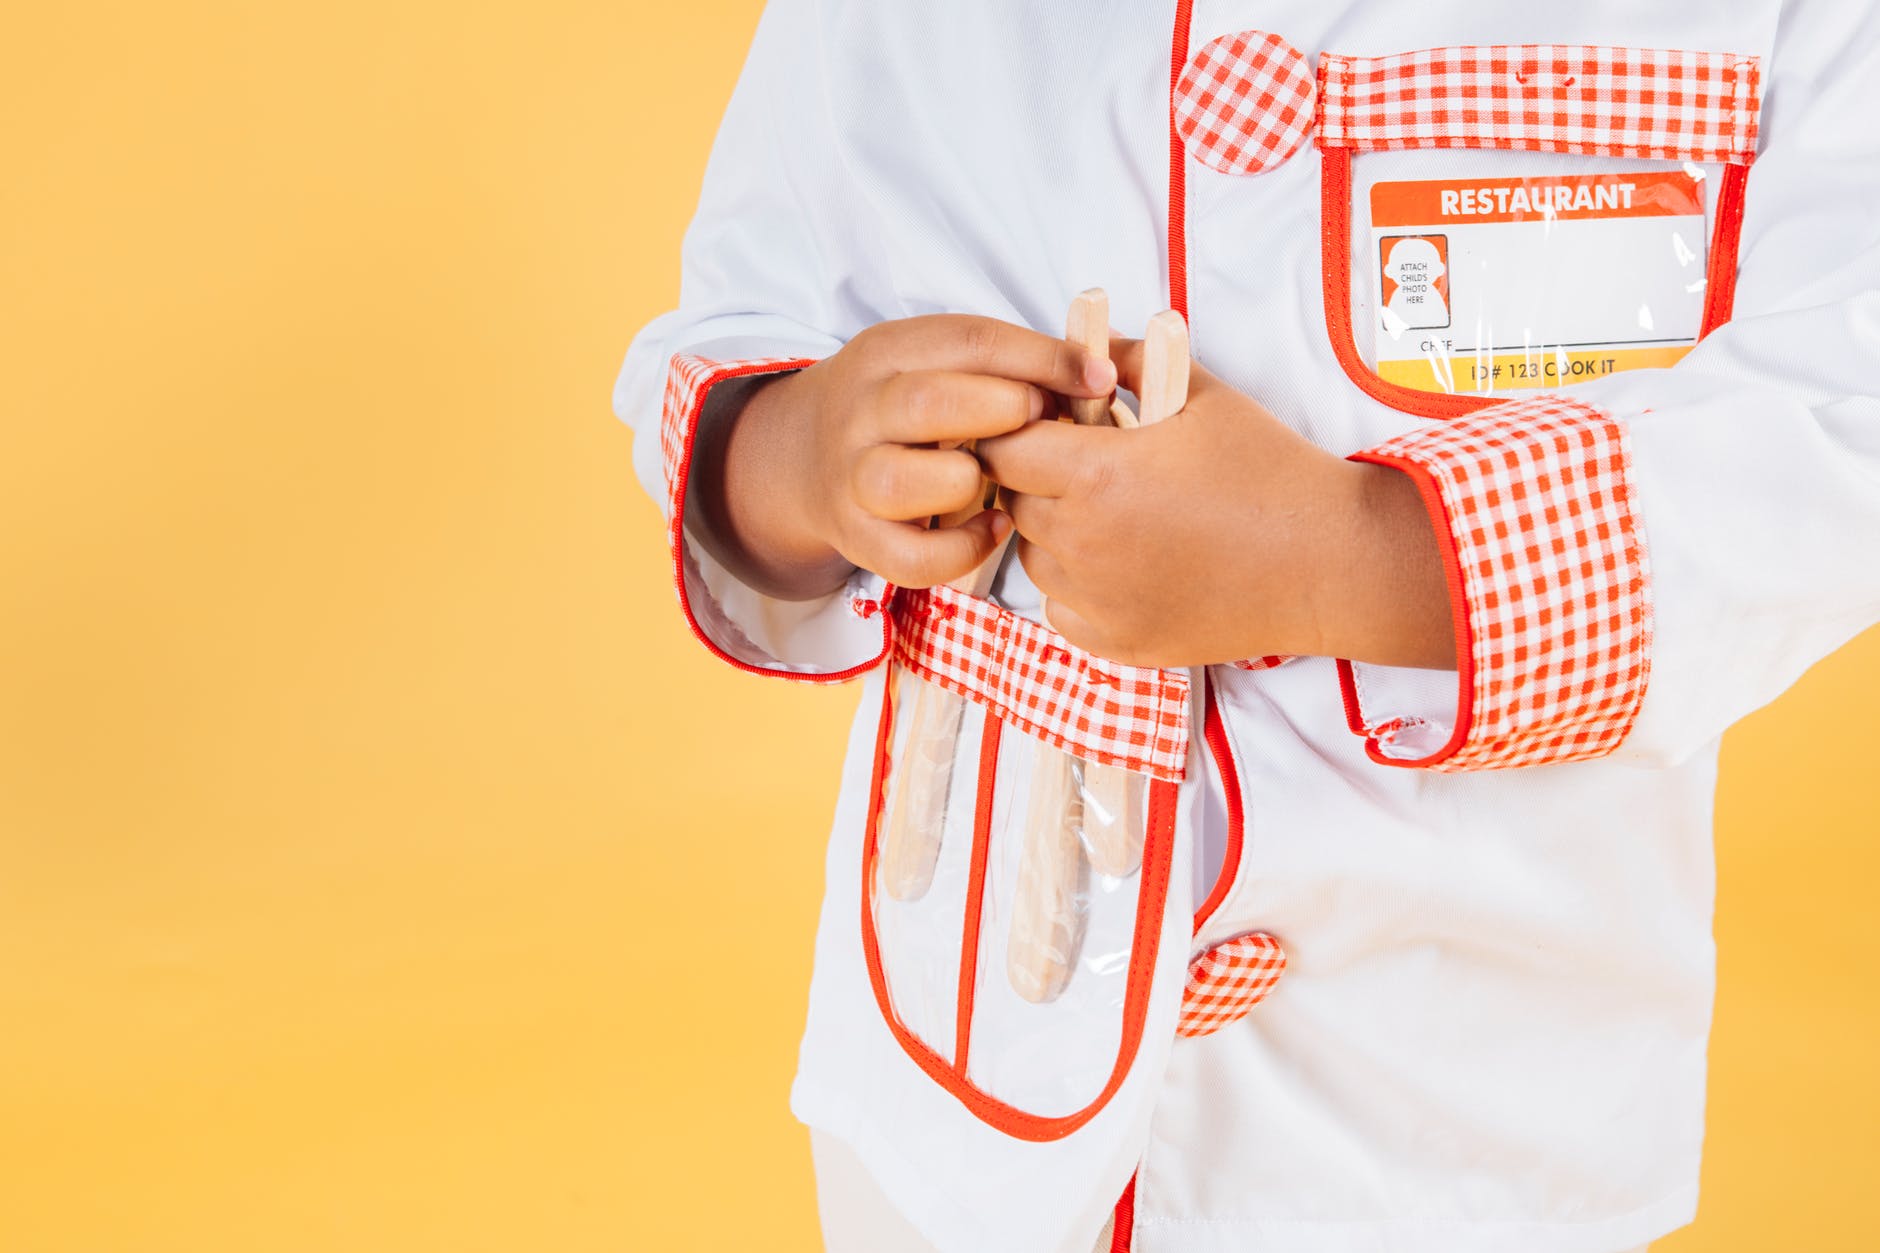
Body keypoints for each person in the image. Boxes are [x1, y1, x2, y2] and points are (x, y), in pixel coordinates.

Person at [613, 3, 1880, 1250]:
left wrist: (1351, 550)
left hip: (1469, 1119)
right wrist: (800, 452)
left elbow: (1842, 415)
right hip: (961, 1101)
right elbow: (735, 330)